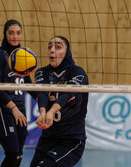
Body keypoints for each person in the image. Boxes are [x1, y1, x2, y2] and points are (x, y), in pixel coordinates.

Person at [30, 36, 89, 167]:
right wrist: (42, 111)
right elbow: (42, 93)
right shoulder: (42, 72)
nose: (52, 50)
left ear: (66, 52)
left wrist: (51, 112)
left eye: (58, 47)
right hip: (48, 138)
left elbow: (67, 94)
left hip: (71, 140)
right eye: (50, 47)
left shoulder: (77, 72)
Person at [0, 19, 37, 167]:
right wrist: (13, 109)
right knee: (13, 153)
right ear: (5, 34)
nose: (15, 36)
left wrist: (45, 102)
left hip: (20, 108)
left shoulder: (22, 55)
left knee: (19, 155)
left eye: (18, 33)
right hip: (4, 108)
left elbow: (28, 85)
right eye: (11, 33)